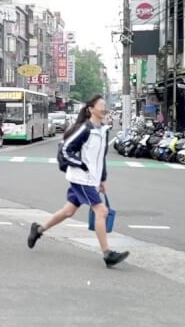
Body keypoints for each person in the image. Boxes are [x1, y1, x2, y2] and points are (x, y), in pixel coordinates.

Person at [27, 95, 130, 268]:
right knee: (101, 211)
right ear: (91, 109)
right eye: (101, 106)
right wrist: (81, 165)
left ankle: (38, 230)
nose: (104, 109)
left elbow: (101, 158)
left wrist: (102, 178)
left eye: (105, 106)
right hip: (81, 179)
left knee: (68, 212)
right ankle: (107, 254)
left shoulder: (103, 131)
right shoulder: (85, 129)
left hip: (91, 179)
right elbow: (66, 150)